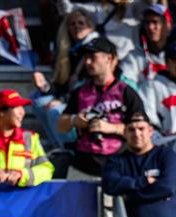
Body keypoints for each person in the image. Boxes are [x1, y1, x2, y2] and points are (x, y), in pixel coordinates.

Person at [59, 38, 144, 180]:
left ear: (109, 59)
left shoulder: (126, 92)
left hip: (118, 167)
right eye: (86, 57)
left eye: (93, 57)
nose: (87, 62)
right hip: (82, 166)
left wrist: (111, 128)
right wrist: (75, 120)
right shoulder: (79, 92)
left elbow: (143, 130)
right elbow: (61, 125)